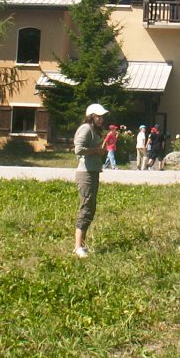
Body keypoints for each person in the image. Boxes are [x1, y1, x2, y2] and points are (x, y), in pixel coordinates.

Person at [73, 103, 108, 258]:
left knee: (90, 209)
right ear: (91, 116)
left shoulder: (94, 131)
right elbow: (78, 149)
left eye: (102, 117)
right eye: (98, 116)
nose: (101, 119)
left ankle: (83, 245)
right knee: (86, 207)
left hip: (93, 172)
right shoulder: (86, 128)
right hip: (85, 173)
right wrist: (96, 150)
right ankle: (77, 247)